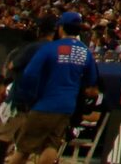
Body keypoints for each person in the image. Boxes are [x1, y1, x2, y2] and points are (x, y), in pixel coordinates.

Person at [6, 10, 99, 164]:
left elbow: (29, 74)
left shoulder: (50, 48)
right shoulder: (85, 52)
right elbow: (91, 81)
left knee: (23, 148)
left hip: (45, 104)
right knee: (51, 145)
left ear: (61, 28)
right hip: (67, 107)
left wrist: (30, 97)